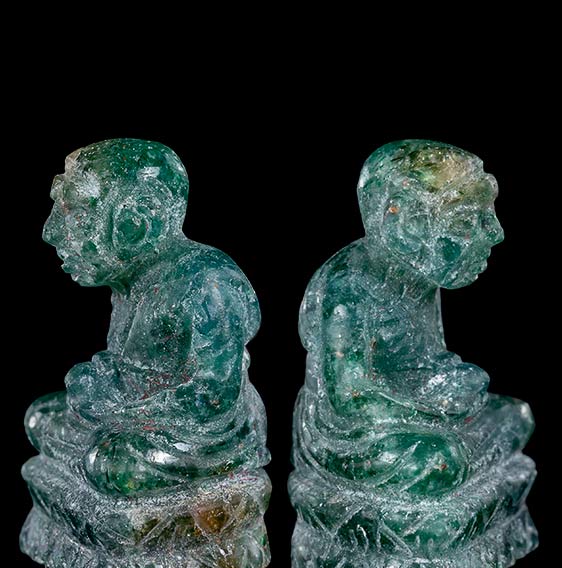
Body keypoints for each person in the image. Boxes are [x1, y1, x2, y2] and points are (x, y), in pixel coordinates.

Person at [26, 138, 268, 495]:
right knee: (38, 418)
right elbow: (135, 372)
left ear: (136, 221)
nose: (51, 232)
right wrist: (105, 382)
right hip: (138, 418)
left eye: (75, 215)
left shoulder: (206, 281)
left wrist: (116, 404)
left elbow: (213, 399)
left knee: (107, 464)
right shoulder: (131, 285)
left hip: (201, 439)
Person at [293, 140, 534, 494]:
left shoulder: (420, 278)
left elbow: (425, 360)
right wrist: (434, 406)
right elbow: (349, 400)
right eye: (467, 221)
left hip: (415, 415)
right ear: (405, 224)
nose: (495, 233)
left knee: (517, 416)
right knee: (439, 462)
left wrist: (450, 380)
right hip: (355, 438)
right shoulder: (348, 287)